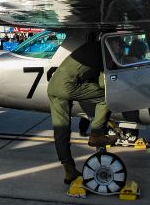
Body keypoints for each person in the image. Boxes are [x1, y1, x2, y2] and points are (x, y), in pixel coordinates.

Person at [47, 34, 118, 184]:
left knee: (61, 131)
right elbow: (103, 85)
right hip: (68, 86)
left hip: (53, 85)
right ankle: (97, 133)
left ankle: (69, 170)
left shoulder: (90, 47)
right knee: (107, 97)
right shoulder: (104, 52)